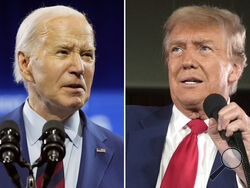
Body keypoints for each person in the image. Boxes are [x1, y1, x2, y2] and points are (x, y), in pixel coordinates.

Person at [126, 5, 250, 188]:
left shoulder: (246, 139)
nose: (187, 62)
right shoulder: (124, 124)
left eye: (204, 48)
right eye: (177, 49)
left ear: (234, 69)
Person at [0, 5, 123, 188]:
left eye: (87, 55)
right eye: (63, 52)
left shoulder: (122, 153)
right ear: (25, 64)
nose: (79, 67)